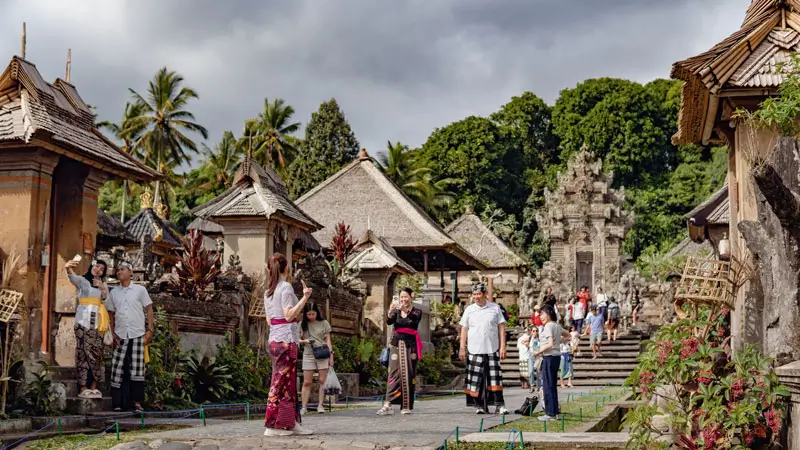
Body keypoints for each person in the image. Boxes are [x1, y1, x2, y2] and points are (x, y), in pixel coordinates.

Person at [263, 253, 313, 437]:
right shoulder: (285, 288)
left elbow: (270, 320)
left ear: (269, 269)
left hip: (276, 340)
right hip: (285, 341)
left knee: (288, 385)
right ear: (287, 268)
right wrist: (305, 298)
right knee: (280, 383)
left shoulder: (268, 291)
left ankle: (291, 422)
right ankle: (272, 424)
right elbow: (289, 314)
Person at [106, 261, 153, 413]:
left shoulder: (140, 290)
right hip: (120, 334)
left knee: (137, 369)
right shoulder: (114, 292)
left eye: (122, 269)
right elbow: (111, 314)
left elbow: (149, 309)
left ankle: (138, 404)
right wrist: (112, 332)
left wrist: (150, 329)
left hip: (137, 333)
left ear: (130, 272)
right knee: (117, 368)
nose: (119, 272)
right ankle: (117, 403)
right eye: (117, 270)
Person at [459, 283, 509, 415]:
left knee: (495, 377)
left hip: (492, 347)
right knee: (476, 379)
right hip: (474, 349)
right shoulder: (469, 309)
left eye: (479, 294)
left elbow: (501, 327)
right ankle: (479, 405)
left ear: (485, 294)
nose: (476, 297)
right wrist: (462, 348)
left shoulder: (495, 308)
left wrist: (503, 346)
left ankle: (499, 405)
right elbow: (464, 329)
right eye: (474, 294)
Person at [65, 258, 109, 399]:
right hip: (83, 320)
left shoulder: (104, 285)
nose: (98, 270)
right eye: (96, 266)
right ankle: (83, 387)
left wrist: (101, 287)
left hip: (98, 321)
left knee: (96, 353)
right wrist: (67, 267)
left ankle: (94, 387)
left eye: (102, 269)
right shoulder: (82, 280)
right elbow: (72, 276)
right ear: (91, 266)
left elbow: (106, 300)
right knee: (82, 352)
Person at [378, 287, 423, 416]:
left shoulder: (417, 312)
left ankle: (406, 405)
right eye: (401, 297)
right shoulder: (397, 311)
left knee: (409, 373)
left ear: (411, 296)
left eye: (406, 296)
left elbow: (413, 322)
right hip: (396, 344)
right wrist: (390, 312)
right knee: (393, 373)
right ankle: (388, 404)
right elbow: (389, 322)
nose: (404, 299)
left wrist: (405, 311)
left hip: (410, 345)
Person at [531, 304, 570, 421]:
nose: (540, 316)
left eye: (542, 314)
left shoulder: (548, 326)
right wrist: (559, 342)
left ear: (548, 314)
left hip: (548, 357)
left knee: (548, 385)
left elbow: (550, 344)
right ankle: (554, 411)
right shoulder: (557, 326)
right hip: (556, 357)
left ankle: (550, 413)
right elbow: (568, 335)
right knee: (552, 385)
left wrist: (537, 352)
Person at [299, 302, 333, 416]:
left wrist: (331, 355)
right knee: (307, 382)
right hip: (308, 353)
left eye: (313, 314)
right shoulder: (302, 324)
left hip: (322, 353)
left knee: (322, 381)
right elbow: (296, 339)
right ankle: (304, 406)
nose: (311, 316)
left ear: (317, 313)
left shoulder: (324, 323)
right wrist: (305, 341)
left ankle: (320, 405)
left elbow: (328, 340)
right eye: (309, 314)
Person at [527, 328, 542, 394]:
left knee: (538, 372)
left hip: (538, 356)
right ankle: (532, 386)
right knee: (530, 371)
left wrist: (538, 352)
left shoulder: (540, 339)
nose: (535, 332)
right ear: (531, 332)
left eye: (536, 331)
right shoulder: (530, 338)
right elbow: (524, 342)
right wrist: (526, 345)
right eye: (533, 331)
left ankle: (538, 386)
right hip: (531, 356)